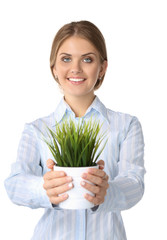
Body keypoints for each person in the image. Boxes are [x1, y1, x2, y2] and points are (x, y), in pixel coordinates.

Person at [4, 20, 145, 240]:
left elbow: (135, 183)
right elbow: (14, 184)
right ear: (54, 68)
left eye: (87, 59)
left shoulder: (125, 126)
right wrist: (45, 189)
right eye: (66, 59)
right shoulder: (37, 130)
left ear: (102, 68)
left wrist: (107, 192)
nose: (76, 68)